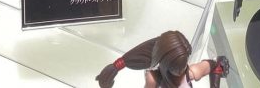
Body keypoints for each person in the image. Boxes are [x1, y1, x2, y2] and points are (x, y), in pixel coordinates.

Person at [96, 30, 229, 87]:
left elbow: (215, 65)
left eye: (183, 64)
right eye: (177, 67)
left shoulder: (190, 73)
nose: (180, 71)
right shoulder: (153, 78)